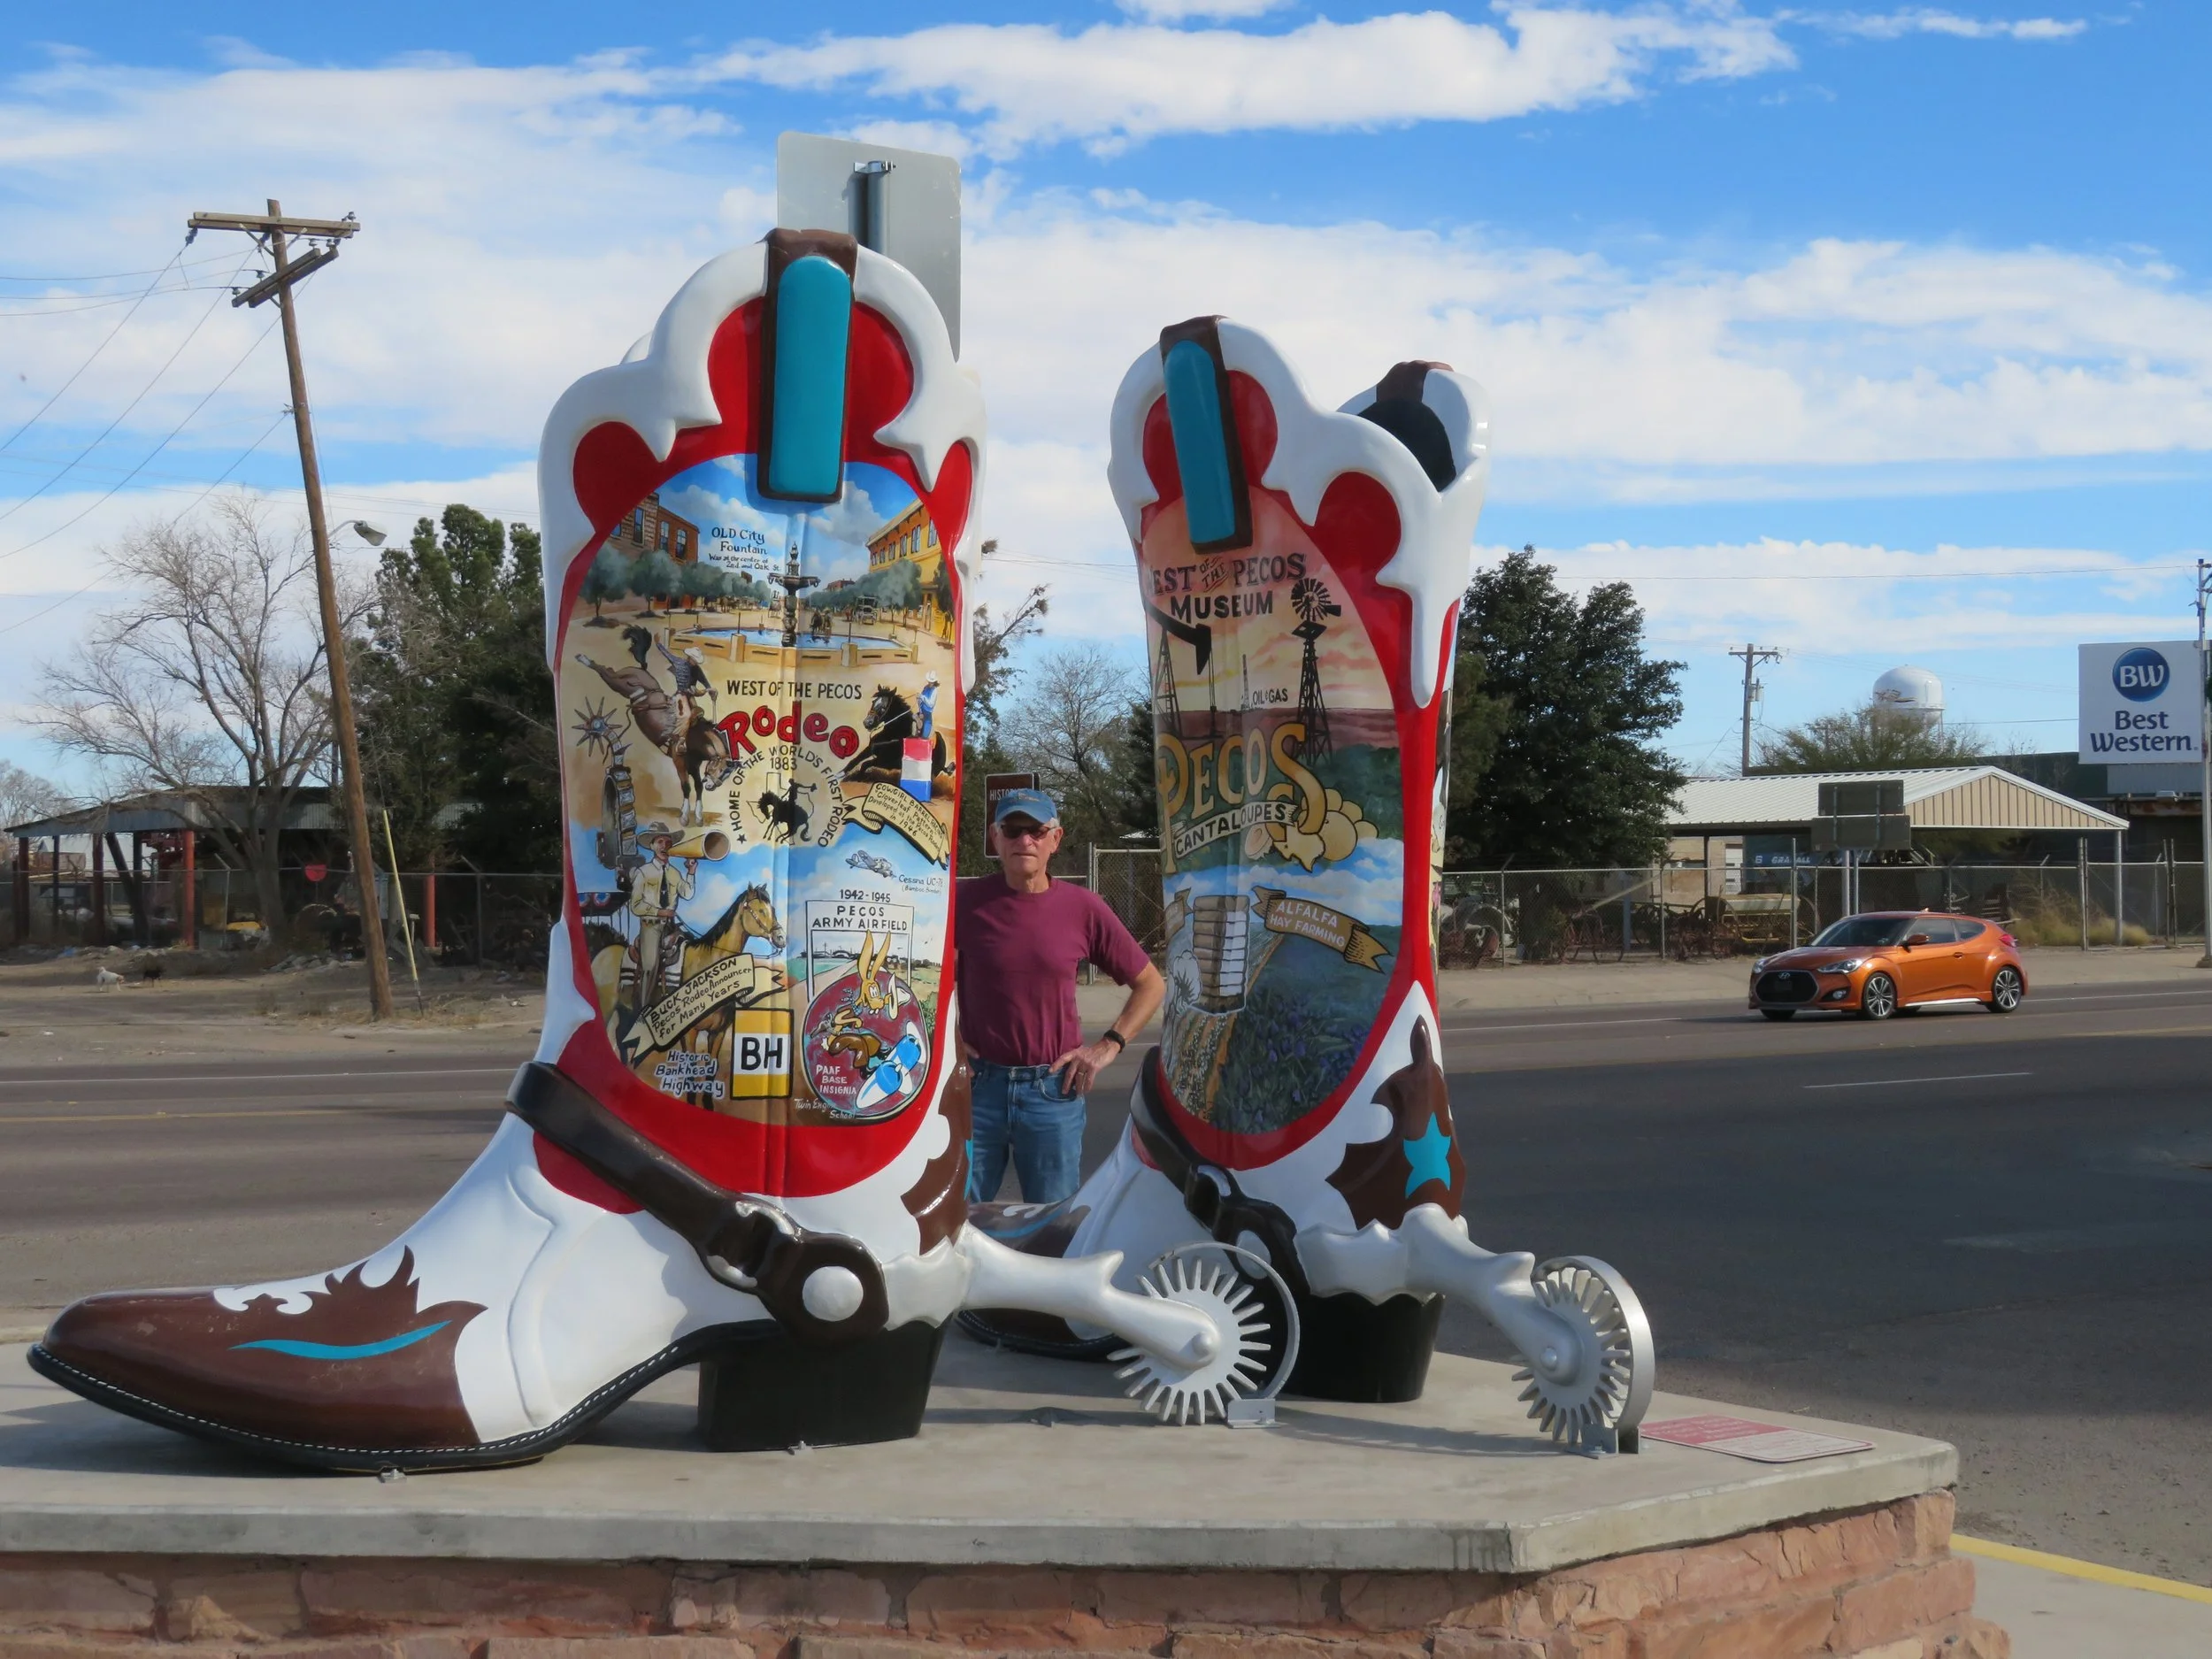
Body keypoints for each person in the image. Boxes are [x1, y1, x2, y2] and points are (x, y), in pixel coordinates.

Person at [954, 788, 1164, 1205]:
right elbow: (917, 976)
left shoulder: (1082, 908)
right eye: (1012, 830)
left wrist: (1108, 1045)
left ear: (1056, 838)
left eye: (1036, 830)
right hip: (977, 1089)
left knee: (1051, 1225)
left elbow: (1151, 984)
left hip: (1052, 1092)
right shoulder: (963, 902)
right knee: (959, 1221)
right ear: (995, 839)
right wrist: (945, 1042)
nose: (1024, 841)